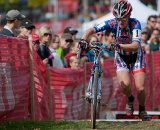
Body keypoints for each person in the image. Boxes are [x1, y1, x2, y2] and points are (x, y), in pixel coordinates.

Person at [79, 0, 150, 121]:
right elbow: (91, 30)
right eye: (118, 18)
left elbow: (135, 45)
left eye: (123, 18)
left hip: (136, 55)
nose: (120, 21)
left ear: (128, 16)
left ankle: (142, 110)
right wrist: (83, 39)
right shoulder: (112, 23)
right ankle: (130, 99)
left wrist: (118, 46)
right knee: (125, 85)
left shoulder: (135, 24)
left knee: (140, 88)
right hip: (121, 57)